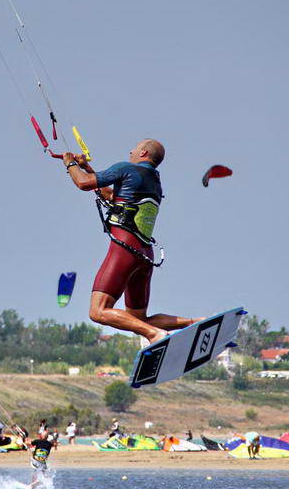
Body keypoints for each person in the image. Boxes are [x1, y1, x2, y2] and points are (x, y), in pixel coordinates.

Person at [63, 141, 201, 347]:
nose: (130, 151)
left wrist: (70, 164)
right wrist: (87, 168)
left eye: (135, 149)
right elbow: (111, 195)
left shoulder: (125, 168)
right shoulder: (154, 180)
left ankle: (155, 334)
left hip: (124, 251)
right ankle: (194, 322)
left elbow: (83, 183)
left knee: (98, 311)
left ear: (143, 152)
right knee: (138, 320)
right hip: (144, 256)